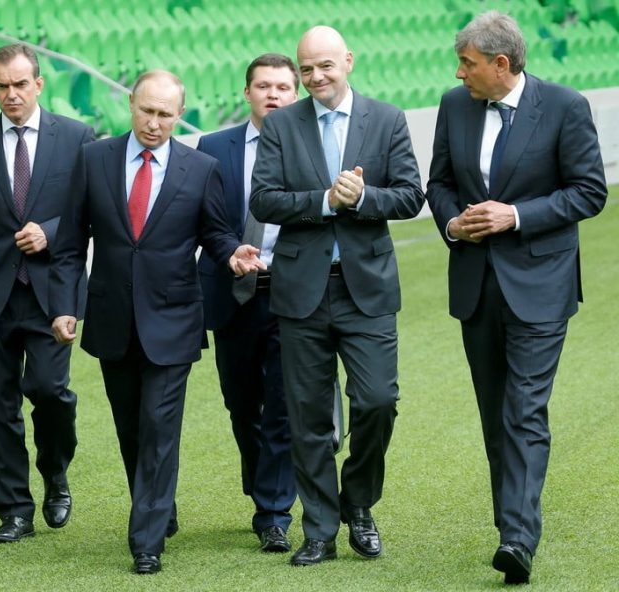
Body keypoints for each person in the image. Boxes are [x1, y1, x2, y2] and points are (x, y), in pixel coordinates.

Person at [49, 70, 265, 574]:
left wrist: (233, 253)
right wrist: (64, 304)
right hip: (110, 318)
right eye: (147, 111)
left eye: (166, 115)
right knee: (131, 429)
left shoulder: (201, 168)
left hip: (173, 319)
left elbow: (215, 232)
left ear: (178, 115)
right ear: (131, 104)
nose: (154, 123)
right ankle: (157, 508)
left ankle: (145, 538)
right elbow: (69, 245)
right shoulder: (94, 159)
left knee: (159, 426)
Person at [426, 11, 607, 585]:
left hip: (541, 285)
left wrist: (518, 215)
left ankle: (517, 538)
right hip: (476, 286)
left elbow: (588, 191)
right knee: (494, 411)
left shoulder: (564, 107)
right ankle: (513, 524)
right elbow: (440, 183)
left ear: (501, 64)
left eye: (468, 64)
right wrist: (453, 224)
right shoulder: (455, 107)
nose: (460, 74)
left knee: (523, 409)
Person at [250, 26, 424, 566]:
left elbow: (410, 195)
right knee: (308, 417)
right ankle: (320, 529)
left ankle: (359, 503)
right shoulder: (281, 124)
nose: (316, 76)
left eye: (325, 65)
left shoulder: (388, 118)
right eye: (307, 69)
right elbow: (264, 199)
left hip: (366, 290)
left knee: (377, 402)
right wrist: (325, 201)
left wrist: (365, 197)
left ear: (348, 60)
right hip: (301, 290)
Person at [0, 43, 95, 543]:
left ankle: (55, 472)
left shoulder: (76, 138)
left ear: (39, 84)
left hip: (52, 292)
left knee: (51, 393)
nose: (11, 94)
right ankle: (13, 510)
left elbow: (91, 214)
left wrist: (50, 230)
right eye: (1, 85)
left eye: (20, 84)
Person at [198, 53, 321, 554]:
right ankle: (261, 483)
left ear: (296, 95)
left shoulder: (314, 148)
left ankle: (273, 512)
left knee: (283, 408)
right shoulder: (213, 147)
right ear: (246, 92)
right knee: (240, 402)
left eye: (282, 87)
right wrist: (231, 253)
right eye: (263, 86)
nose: (272, 94)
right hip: (232, 291)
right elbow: (206, 221)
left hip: (292, 291)